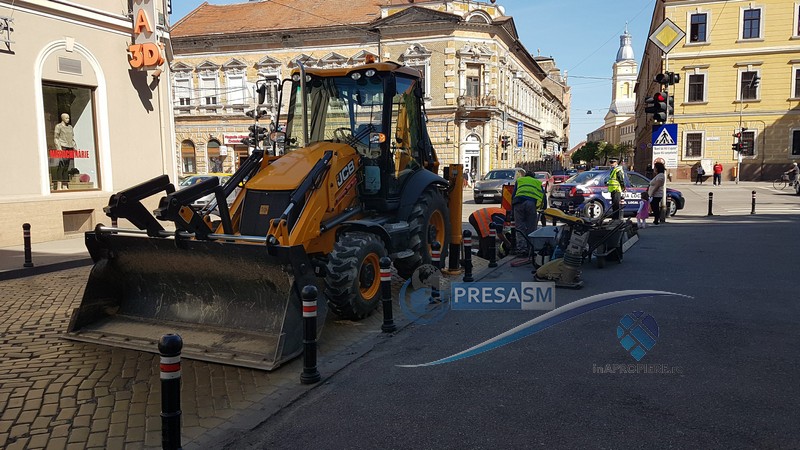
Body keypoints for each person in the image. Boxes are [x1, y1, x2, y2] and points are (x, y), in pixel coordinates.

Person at [512, 170, 545, 255]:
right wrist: (543, 210)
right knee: (531, 227)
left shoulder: (520, 180)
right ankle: (531, 248)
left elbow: (513, 194)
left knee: (520, 227)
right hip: (531, 204)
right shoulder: (537, 182)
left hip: (518, 203)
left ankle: (522, 249)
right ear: (534, 176)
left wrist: (512, 209)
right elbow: (543, 197)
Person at [53, 113, 77, 183]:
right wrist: (59, 149)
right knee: (61, 166)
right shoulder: (58, 126)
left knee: (67, 166)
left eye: (68, 118)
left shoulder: (70, 127)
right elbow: (56, 138)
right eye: (66, 118)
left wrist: (75, 147)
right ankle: (59, 184)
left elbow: (72, 138)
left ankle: (65, 184)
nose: (68, 120)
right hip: (63, 147)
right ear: (62, 118)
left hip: (69, 147)